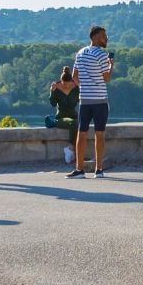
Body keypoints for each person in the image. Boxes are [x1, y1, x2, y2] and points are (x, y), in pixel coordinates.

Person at [69, 26, 113, 178]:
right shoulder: (102, 54)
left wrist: (85, 86)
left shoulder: (80, 53)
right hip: (100, 100)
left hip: (84, 100)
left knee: (81, 134)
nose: (106, 39)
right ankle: (98, 169)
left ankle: (79, 169)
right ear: (95, 37)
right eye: (103, 36)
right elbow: (106, 78)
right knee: (99, 134)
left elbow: (75, 76)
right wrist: (111, 66)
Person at [47, 66, 80, 160]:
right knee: (73, 123)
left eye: (68, 84)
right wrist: (52, 92)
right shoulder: (56, 88)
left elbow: (82, 100)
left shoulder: (76, 88)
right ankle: (71, 148)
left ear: (72, 82)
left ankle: (71, 150)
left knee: (80, 127)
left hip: (74, 115)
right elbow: (53, 104)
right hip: (61, 118)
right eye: (63, 84)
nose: (66, 86)